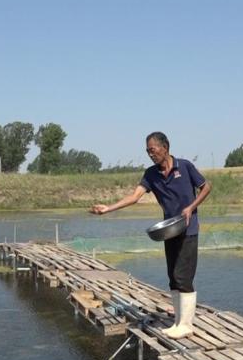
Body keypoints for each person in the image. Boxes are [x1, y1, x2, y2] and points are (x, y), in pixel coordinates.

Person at [90, 132, 212, 339]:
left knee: (183, 276)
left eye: (153, 150)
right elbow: (135, 196)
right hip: (170, 230)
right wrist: (108, 208)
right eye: (147, 151)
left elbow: (206, 187)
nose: (150, 154)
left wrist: (191, 207)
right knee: (173, 277)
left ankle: (186, 324)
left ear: (165, 147)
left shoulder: (185, 166)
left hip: (188, 229)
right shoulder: (151, 174)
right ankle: (178, 322)